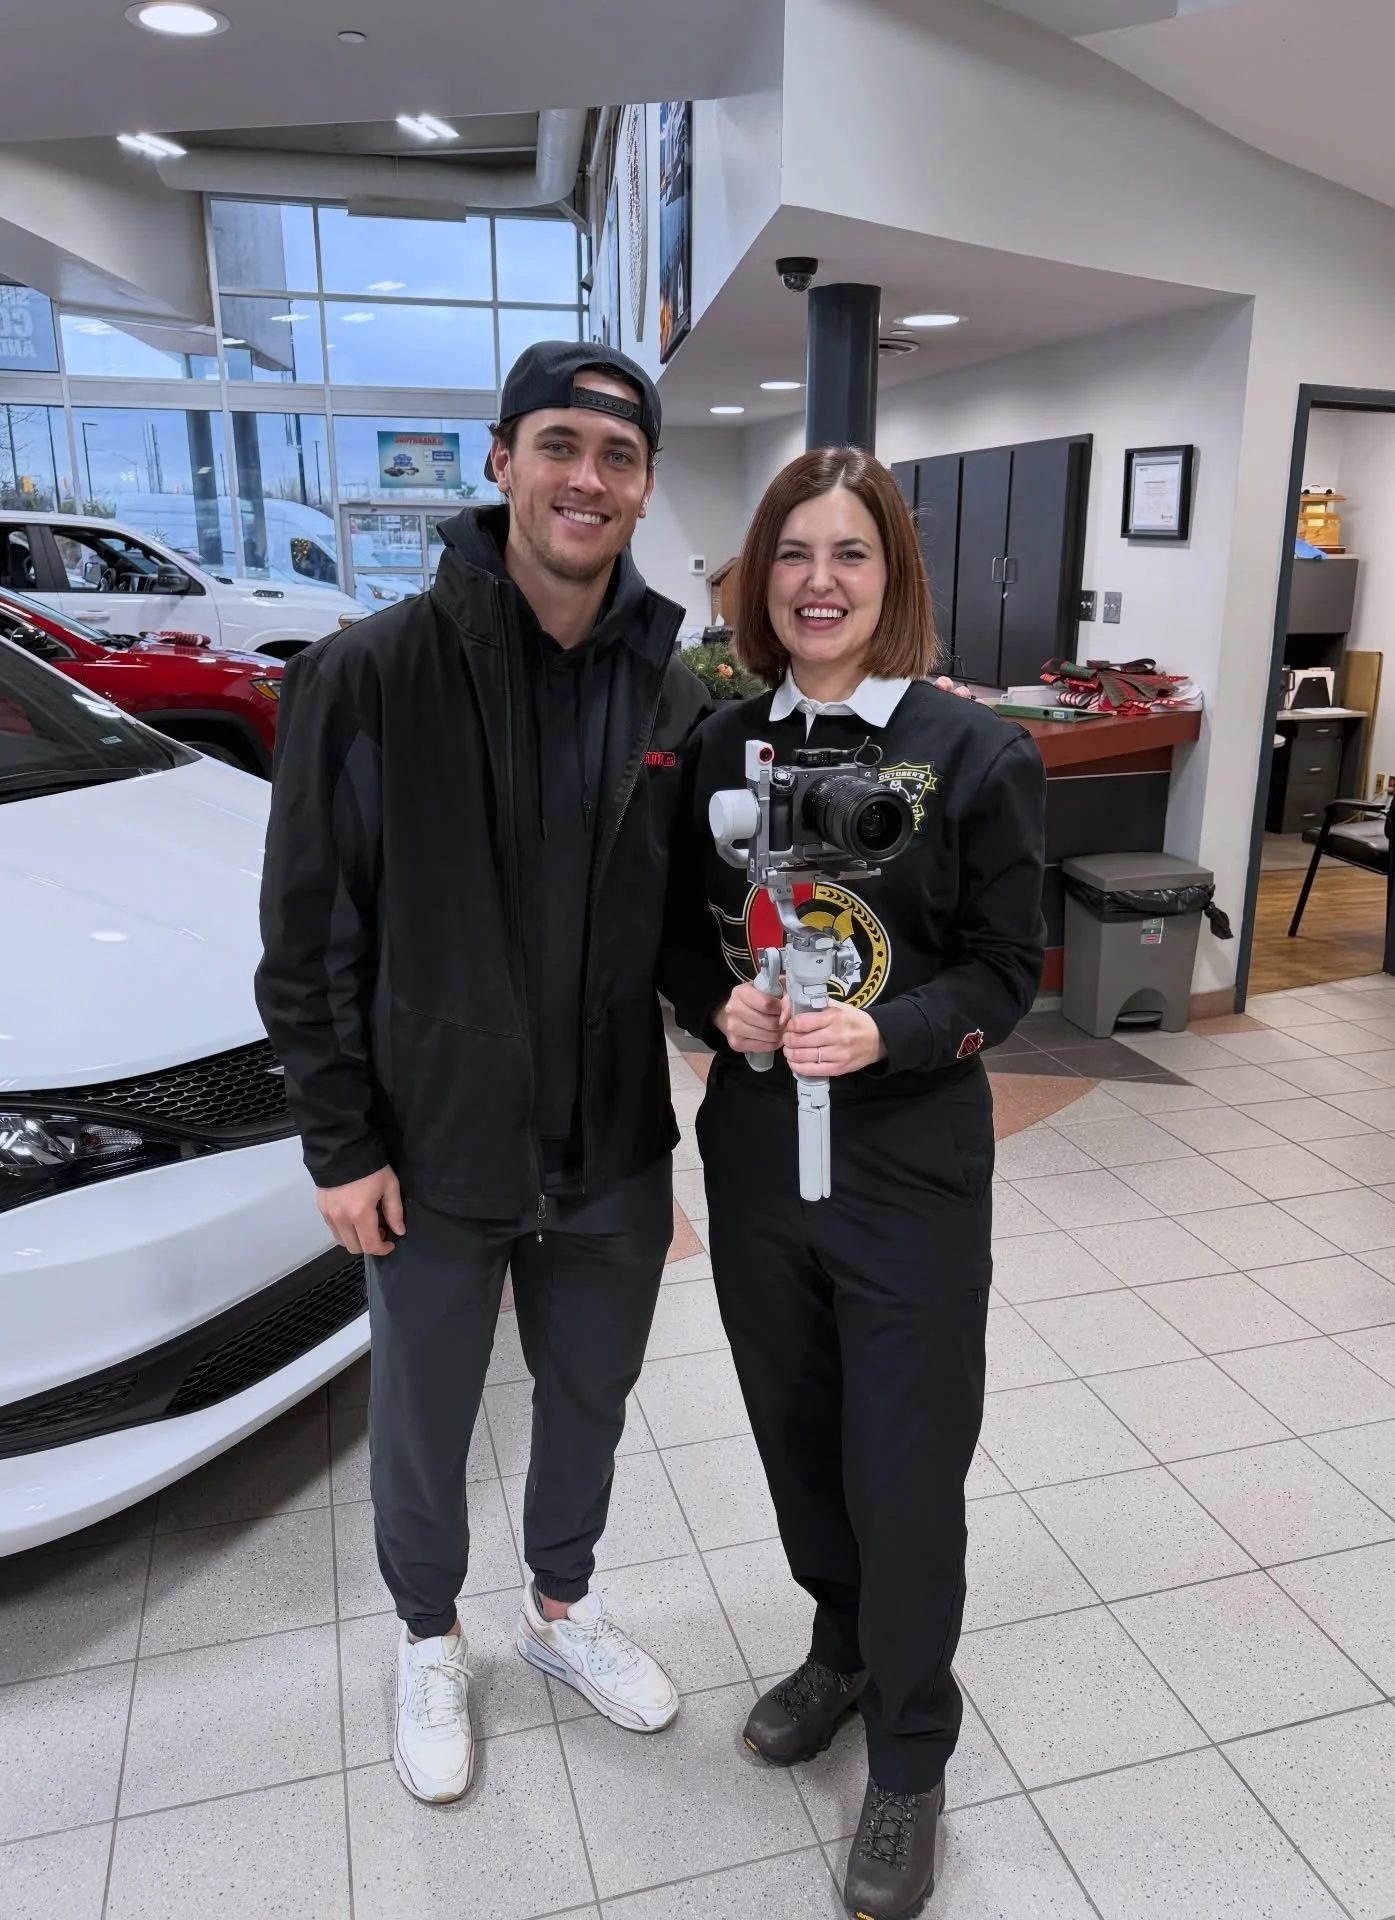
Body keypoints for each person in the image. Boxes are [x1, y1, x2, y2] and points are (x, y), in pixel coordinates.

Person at [256, 341, 711, 1804]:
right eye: (562, 445)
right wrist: (339, 1141)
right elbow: (309, 930)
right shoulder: (369, 675)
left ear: (645, 488)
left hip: (614, 1148)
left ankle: (564, 1611)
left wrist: (750, 1007)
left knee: (589, 1393)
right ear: (502, 458)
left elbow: (679, 935)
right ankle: (427, 1635)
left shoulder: (674, 692)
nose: (590, 478)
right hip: (433, 1142)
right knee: (427, 1413)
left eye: (620, 456)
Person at [663, 447, 1047, 1920]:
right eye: (792, 555)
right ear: (760, 582)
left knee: (905, 1455)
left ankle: (909, 1747)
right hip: (761, 1155)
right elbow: (675, 944)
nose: (819, 582)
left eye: (852, 554)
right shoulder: (719, 748)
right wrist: (722, 1010)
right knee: (798, 1427)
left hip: (909, 1163)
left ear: (894, 579)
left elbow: (1008, 972)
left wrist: (883, 1027)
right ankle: (841, 1646)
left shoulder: (972, 755)